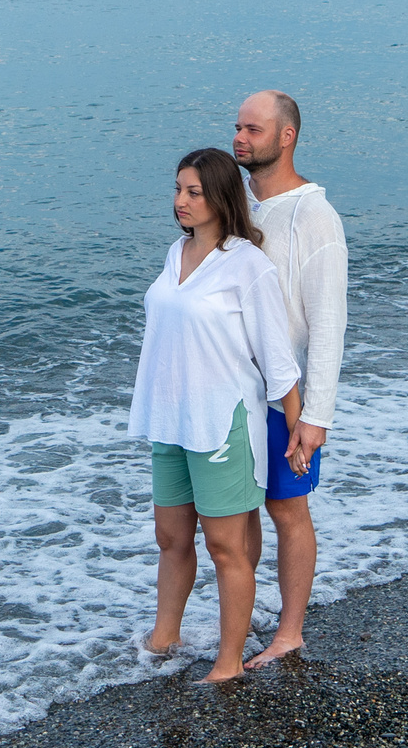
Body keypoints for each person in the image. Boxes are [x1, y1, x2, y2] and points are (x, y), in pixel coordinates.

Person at [130, 147, 304, 683]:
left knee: (226, 546)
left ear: (221, 197)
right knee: (171, 538)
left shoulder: (247, 265)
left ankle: (228, 662)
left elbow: (278, 358)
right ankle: (164, 637)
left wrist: (299, 430)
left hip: (222, 422)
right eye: (178, 190)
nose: (181, 201)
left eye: (194, 192)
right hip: (170, 420)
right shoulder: (174, 252)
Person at [231, 90, 347, 669]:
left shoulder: (312, 214)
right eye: (237, 127)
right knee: (240, 511)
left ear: (286, 136)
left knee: (288, 509)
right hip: (233, 395)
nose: (240, 138)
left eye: (253, 128)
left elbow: (328, 321)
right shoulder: (242, 210)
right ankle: (243, 614)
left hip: (285, 401)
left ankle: (291, 631)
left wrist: (315, 417)